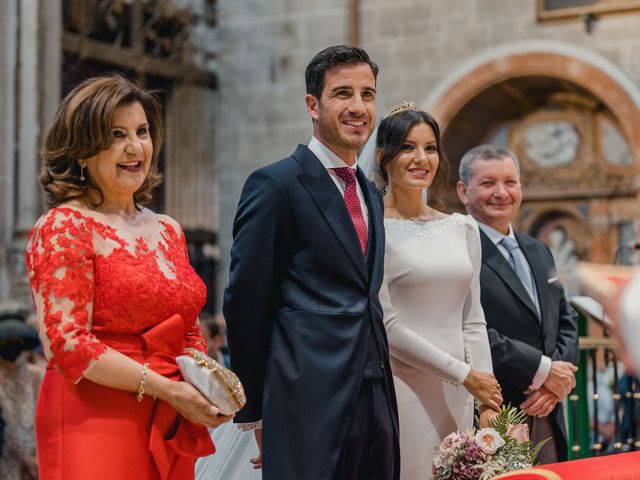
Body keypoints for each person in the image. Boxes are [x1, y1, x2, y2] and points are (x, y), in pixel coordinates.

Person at [25, 74, 231, 480]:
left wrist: (207, 384)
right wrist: (166, 387)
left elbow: (187, 327)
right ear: (81, 150)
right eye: (116, 135)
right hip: (93, 415)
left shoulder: (168, 228)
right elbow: (66, 346)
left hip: (169, 411)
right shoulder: (64, 225)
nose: (135, 147)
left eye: (142, 131)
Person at [223, 45, 400, 480]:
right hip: (306, 397)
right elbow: (246, 302)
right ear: (312, 105)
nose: (358, 107)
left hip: (376, 392)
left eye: (368, 94)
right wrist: (254, 412)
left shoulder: (371, 193)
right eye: (343, 94)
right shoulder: (275, 184)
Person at [361, 103, 501, 478]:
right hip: (401, 386)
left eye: (430, 147)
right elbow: (387, 326)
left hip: (460, 391)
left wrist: (485, 394)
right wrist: (464, 374)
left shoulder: (463, 228)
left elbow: (473, 321)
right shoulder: (372, 230)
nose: (421, 158)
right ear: (382, 155)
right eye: (408, 147)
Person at [456, 144, 579, 463]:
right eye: (488, 183)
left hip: (548, 407)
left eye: (510, 182)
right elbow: (468, 327)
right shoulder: (456, 250)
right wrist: (542, 371)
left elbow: (565, 317)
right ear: (463, 191)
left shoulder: (538, 249)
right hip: (494, 408)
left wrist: (554, 384)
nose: (501, 192)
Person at [0, 313, 41, 479]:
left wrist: (35, 457)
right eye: (6, 340)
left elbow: (43, 413)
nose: (12, 344)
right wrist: (25, 458)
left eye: (17, 340)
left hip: (35, 449)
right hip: (6, 454)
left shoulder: (34, 374)